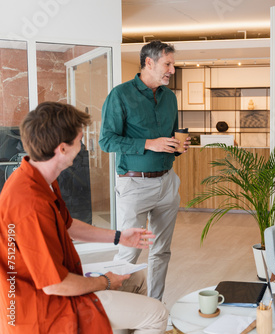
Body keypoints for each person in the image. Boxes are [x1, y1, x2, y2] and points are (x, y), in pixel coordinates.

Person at [0, 102, 168, 333]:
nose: (82, 145)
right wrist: (105, 281)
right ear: (62, 149)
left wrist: (120, 237)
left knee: (134, 278)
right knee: (157, 314)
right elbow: (54, 285)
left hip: (54, 290)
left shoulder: (39, 177)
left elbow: (67, 225)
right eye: (79, 139)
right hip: (45, 310)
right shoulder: (30, 204)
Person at [99, 40, 190, 301]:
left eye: (172, 64)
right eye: (168, 64)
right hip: (134, 185)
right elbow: (107, 141)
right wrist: (150, 143)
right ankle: (118, 309)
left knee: (162, 251)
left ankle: (155, 306)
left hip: (167, 183)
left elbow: (170, 139)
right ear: (149, 63)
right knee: (129, 252)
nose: (172, 70)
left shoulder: (169, 97)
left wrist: (176, 147)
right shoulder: (120, 95)